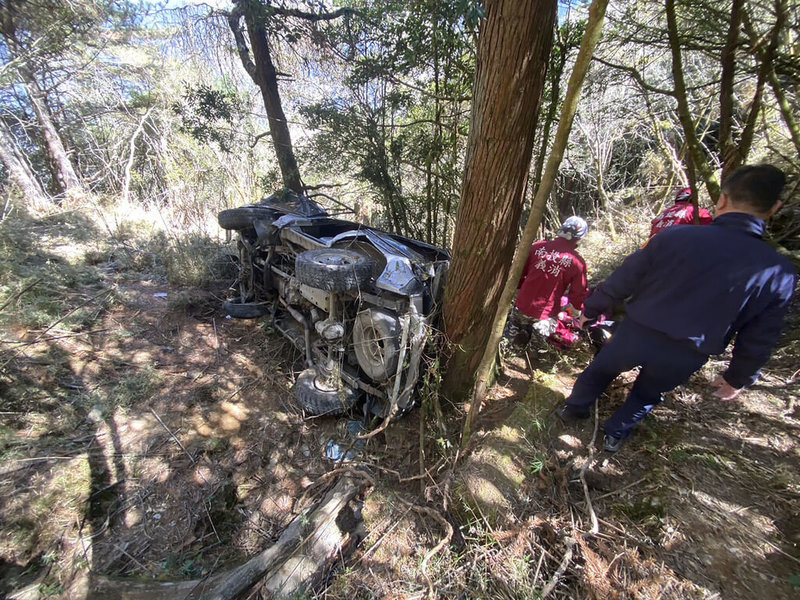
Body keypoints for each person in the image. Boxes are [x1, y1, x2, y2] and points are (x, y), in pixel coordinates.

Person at [556, 164, 797, 452]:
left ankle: (573, 410)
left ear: (722, 199)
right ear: (775, 208)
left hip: (637, 332)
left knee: (600, 371)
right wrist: (738, 377)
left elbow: (624, 279)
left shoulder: (674, 238)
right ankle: (615, 434)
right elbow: (761, 335)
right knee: (647, 393)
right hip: (689, 351)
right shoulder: (779, 272)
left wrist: (592, 309)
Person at [510, 216, 589, 345]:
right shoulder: (577, 262)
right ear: (580, 238)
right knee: (538, 350)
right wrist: (576, 310)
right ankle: (534, 351)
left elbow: (519, 273)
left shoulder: (537, 247)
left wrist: (518, 291)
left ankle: (512, 345)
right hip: (545, 315)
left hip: (521, 306)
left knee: (509, 342)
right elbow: (578, 293)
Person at [648, 186, 712, 240]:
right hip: (682, 251)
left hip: (653, 252)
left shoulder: (661, 215)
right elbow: (709, 236)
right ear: (694, 199)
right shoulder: (699, 212)